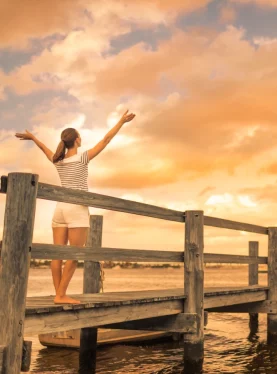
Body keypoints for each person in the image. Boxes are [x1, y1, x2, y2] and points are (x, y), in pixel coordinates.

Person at [15, 110, 136, 304]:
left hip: (60, 209)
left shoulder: (58, 161)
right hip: (76, 209)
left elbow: (44, 148)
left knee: (58, 255)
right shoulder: (82, 158)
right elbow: (106, 140)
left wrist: (32, 137)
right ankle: (61, 295)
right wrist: (121, 121)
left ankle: (58, 294)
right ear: (77, 140)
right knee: (74, 254)